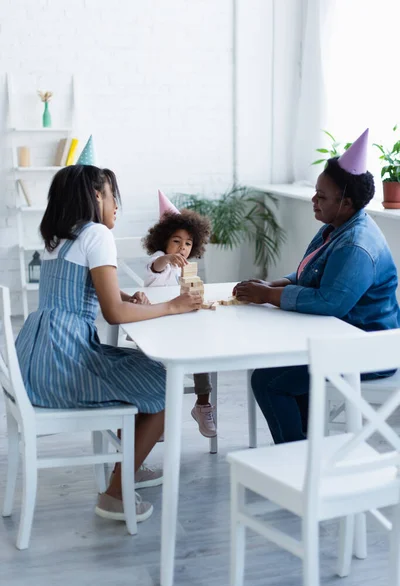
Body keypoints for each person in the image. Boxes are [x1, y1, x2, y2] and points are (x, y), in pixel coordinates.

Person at [15, 165, 202, 522]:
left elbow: (88, 288)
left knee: (141, 370)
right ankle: (116, 494)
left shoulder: (60, 237)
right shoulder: (97, 234)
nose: (117, 205)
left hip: (38, 355)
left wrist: (128, 295)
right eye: (113, 195)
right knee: (165, 385)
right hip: (64, 358)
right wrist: (173, 306)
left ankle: (129, 464)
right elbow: (114, 314)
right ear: (96, 196)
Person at [233, 129, 400, 444]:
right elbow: (311, 273)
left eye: (321, 196)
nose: (314, 200)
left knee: (268, 382)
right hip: (342, 340)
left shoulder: (357, 244)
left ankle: (296, 458)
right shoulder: (337, 226)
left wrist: (269, 295)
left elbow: (330, 301)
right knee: (281, 368)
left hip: (368, 350)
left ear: (346, 202)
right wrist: (271, 285)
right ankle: (308, 444)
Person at [142, 190, 217, 437]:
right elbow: (157, 266)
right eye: (176, 241)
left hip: (182, 325)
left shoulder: (186, 269)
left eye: (187, 244)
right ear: (163, 241)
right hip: (157, 323)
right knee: (158, 366)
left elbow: (190, 294)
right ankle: (157, 412)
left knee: (202, 351)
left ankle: (203, 403)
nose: (182, 248)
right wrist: (168, 258)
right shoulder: (159, 260)